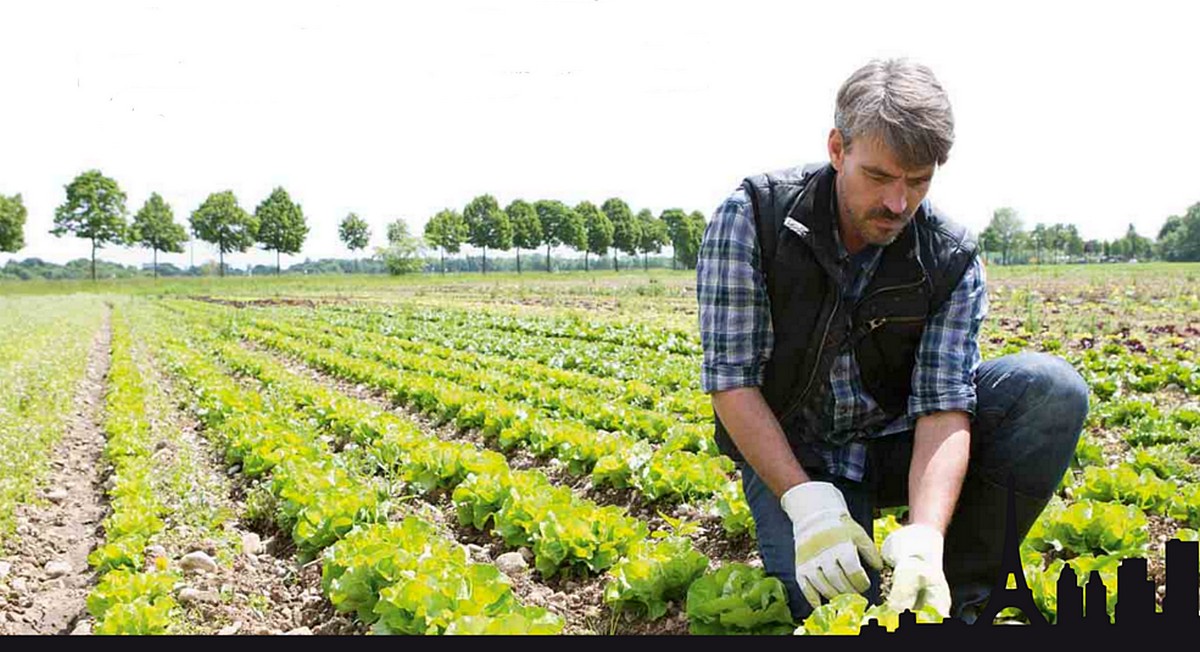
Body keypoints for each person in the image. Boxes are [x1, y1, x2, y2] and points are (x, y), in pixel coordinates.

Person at [695, 57, 1088, 624]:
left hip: (893, 443)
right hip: (798, 450)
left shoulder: (948, 255)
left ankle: (960, 589)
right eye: (879, 177)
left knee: (1050, 390)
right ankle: (820, 516)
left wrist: (926, 533)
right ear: (837, 149)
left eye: (918, 180)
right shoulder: (754, 218)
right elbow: (733, 381)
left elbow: (943, 404)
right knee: (828, 604)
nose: (898, 203)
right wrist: (806, 507)